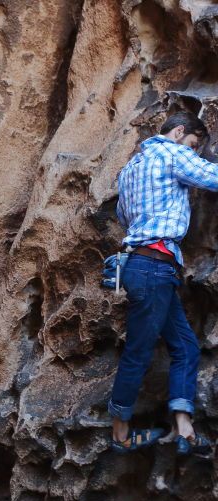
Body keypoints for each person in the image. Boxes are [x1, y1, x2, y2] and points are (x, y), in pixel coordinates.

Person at [109, 111, 215, 456]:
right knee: (138, 351)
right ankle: (120, 432)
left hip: (143, 266)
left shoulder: (130, 169)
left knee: (185, 347)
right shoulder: (171, 153)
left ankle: (183, 426)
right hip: (155, 267)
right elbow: (212, 177)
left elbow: (123, 217)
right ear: (179, 132)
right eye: (194, 145)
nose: (194, 152)